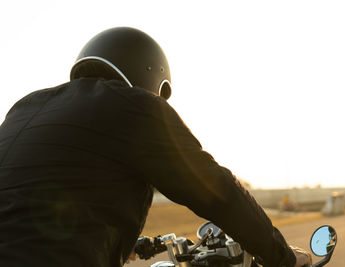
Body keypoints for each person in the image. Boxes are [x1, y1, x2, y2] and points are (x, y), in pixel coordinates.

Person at [0, 27, 311, 267]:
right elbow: (217, 190)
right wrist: (281, 256)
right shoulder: (135, 106)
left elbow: (43, 195)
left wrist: (121, 242)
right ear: (153, 79)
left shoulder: (26, 106)